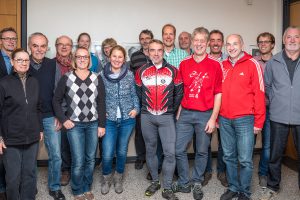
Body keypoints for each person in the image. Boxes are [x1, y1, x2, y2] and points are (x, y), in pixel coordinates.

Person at [172, 27, 223, 200]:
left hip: (205, 114)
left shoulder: (216, 65)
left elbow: (218, 93)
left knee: (202, 151)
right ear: (192, 43)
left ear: (207, 43)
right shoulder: (184, 63)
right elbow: (181, 91)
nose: (199, 43)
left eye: (203, 40)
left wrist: (213, 118)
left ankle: (197, 182)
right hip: (185, 113)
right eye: (197, 40)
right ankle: (184, 182)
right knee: (178, 149)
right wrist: (179, 111)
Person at [53, 47, 106, 200]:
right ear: (74, 59)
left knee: (90, 159)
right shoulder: (67, 78)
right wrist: (64, 119)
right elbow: (55, 101)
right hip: (74, 126)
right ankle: (77, 190)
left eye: (85, 57)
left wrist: (102, 125)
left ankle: (87, 187)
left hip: (93, 124)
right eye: (79, 57)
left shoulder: (97, 78)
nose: (82, 59)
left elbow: (101, 103)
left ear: (89, 60)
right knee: (78, 160)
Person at [135, 39, 183, 200]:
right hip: (147, 117)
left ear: (163, 52)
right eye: (152, 50)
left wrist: (170, 110)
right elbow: (138, 92)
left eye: (159, 50)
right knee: (151, 150)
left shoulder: (174, 71)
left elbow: (179, 94)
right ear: (147, 52)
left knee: (170, 153)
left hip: (166, 117)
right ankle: (155, 181)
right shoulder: (140, 71)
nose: (156, 53)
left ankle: (167, 188)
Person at [219, 34, 265, 200]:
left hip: (245, 119)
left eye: (235, 44)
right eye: (228, 45)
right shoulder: (222, 65)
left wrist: (259, 122)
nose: (231, 47)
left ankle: (244, 192)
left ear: (242, 45)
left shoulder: (252, 64)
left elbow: (259, 94)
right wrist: (217, 117)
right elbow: (217, 93)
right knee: (228, 157)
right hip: (224, 119)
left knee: (245, 159)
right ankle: (233, 187)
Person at [259, 26, 300, 200]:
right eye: (289, 37)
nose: (292, 40)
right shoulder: (273, 62)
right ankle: (272, 186)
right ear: (283, 40)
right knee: (274, 155)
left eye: (296, 37)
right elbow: (267, 87)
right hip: (278, 115)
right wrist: (277, 101)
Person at [0, 48, 43, 200]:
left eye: (26, 60)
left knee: (30, 175)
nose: (23, 63)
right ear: (12, 62)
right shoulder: (3, 83)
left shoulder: (34, 81)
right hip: (10, 140)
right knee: (13, 178)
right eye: (19, 60)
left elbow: (38, 108)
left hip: (32, 137)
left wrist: (40, 129)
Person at [28, 32, 65, 200]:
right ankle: (29, 187)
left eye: (43, 46)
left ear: (47, 47)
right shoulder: (22, 63)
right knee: (29, 156)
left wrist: (60, 115)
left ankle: (54, 187)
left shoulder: (52, 64)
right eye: (35, 45)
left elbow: (59, 92)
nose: (39, 49)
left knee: (56, 155)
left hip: (50, 116)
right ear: (29, 46)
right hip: (28, 118)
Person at [100, 45, 139, 194]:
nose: (117, 59)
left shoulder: (129, 75)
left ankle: (118, 178)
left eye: (120, 57)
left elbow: (134, 94)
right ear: (110, 58)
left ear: (124, 59)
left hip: (127, 120)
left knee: (122, 151)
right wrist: (101, 114)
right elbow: (98, 98)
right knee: (108, 152)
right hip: (108, 120)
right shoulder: (101, 75)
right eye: (114, 56)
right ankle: (106, 178)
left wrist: (136, 109)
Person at [202, 29, 228, 188]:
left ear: (222, 43)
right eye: (213, 40)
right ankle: (206, 171)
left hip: (226, 108)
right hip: (207, 107)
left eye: (219, 40)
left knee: (224, 143)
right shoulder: (203, 59)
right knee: (204, 142)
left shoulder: (229, 59)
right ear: (208, 43)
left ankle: (222, 171)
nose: (216, 43)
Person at [253, 32, 275, 189]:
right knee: (248, 144)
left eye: (266, 42)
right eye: (260, 42)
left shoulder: (279, 62)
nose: (263, 44)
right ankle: (244, 172)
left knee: (267, 145)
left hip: (272, 109)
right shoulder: (253, 62)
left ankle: (263, 173)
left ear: (272, 44)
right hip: (253, 109)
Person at [0, 27, 18, 200]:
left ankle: (14, 185)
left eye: (14, 38)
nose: (11, 41)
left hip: (14, 113)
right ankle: (2, 189)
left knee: (11, 152)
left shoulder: (19, 58)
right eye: (7, 38)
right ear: (1, 41)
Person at [54, 35, 74, 186]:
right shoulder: (50, 64)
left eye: (67, 44)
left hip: (78, 110)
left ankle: (77, 169)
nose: (64, 47)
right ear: (56, 47)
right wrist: (57, 114)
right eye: (61, 44)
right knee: (64, 144)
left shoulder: (77, 63)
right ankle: (65, 170)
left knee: (78, 142)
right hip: (60, 110)